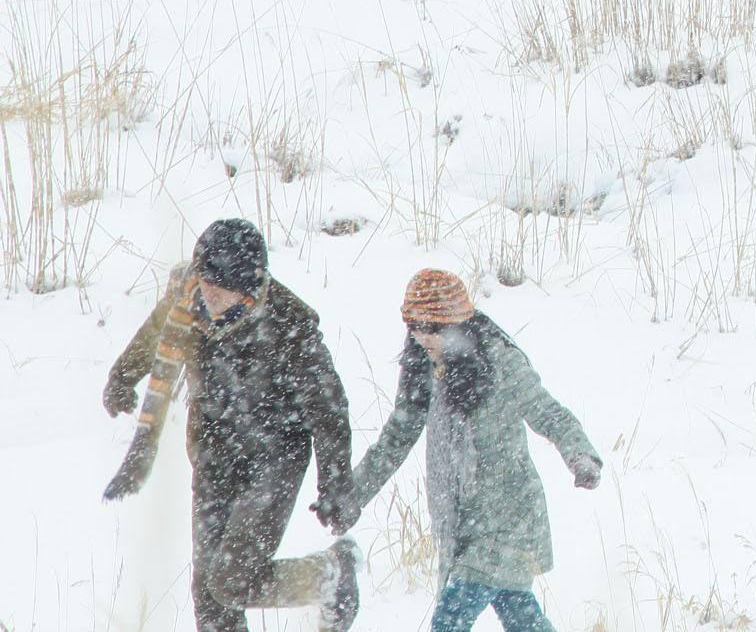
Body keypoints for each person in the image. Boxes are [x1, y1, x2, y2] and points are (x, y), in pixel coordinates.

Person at [103, 218, 360, 632]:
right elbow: (155, 333)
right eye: (205, 281)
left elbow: (327, 410)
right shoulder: (187, 298)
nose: (209, 294)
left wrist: (335, 482)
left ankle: (327, 576)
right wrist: (122, 377)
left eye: (220, 287)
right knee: (209, 599)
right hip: (213, 453)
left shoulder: (289, 324)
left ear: (247, 287)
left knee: (233, 581)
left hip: (274, 460)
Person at [350, 269, 602, 632]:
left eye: (433, 328)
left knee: (450, 619)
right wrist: (352, 494)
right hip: (462, 523)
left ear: (457, 324)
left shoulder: (499, 360)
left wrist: (580, 456)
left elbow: (547, 412)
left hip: (508, 518)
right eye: (415, 327)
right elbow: (398, 435)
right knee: (520, 617)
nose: (423, 337)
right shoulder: (424, 366)